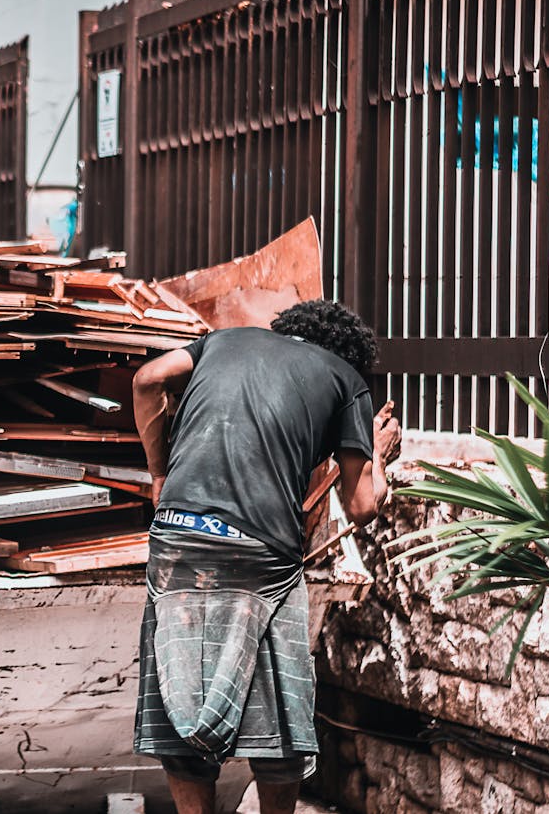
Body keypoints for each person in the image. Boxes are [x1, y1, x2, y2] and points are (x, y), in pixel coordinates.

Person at [130, 299, 402, 814]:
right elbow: (362, 506)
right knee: (280, 704)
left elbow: (147, 379)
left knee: (178, 677)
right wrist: (377, 454)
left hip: (173, 539)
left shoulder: (224, 339)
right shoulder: (345, 380)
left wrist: (159, 473)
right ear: (347, 353)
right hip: (259, 558)